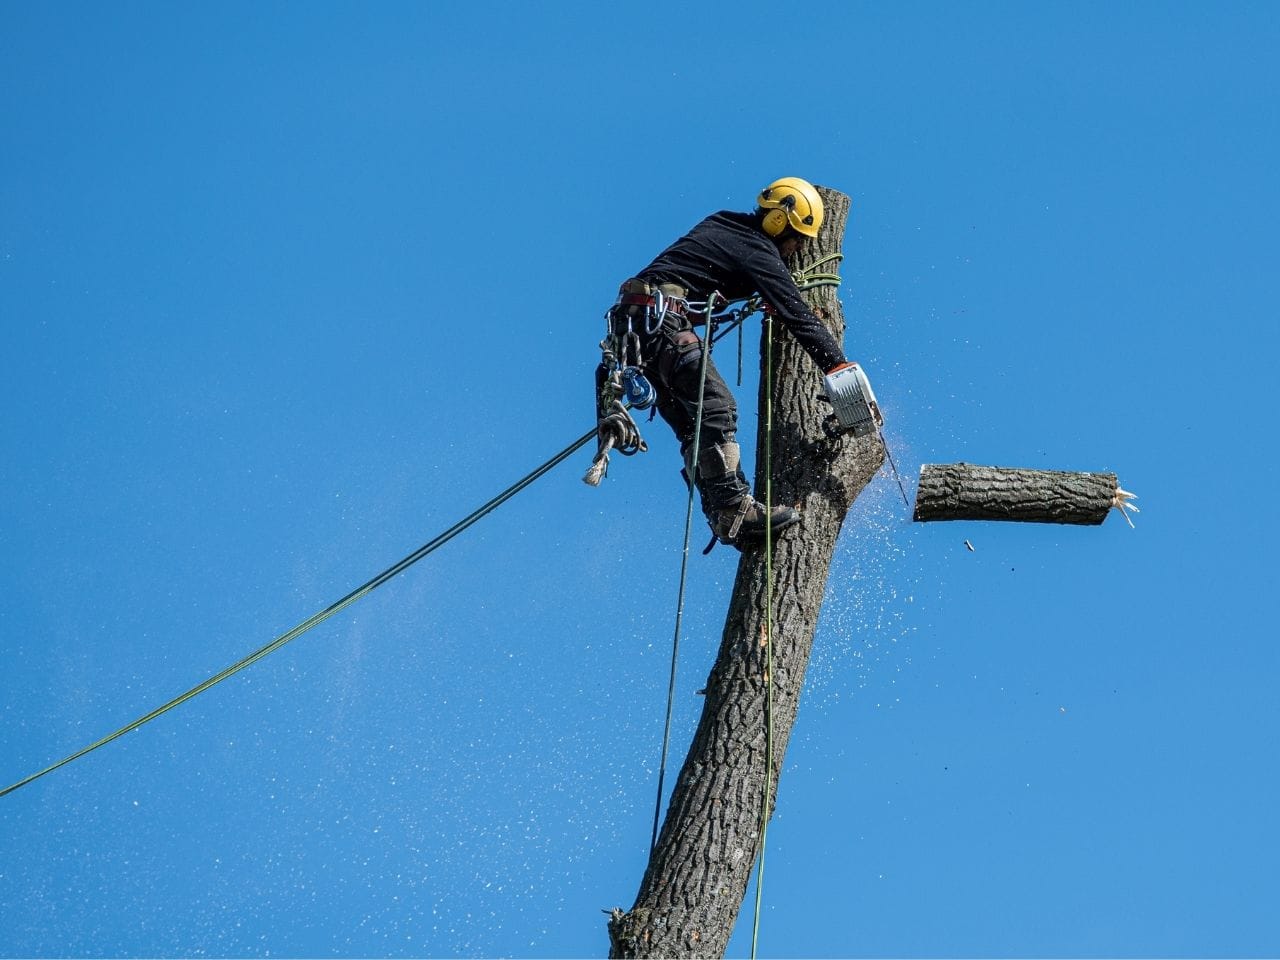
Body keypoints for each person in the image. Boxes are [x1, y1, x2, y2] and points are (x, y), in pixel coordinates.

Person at [598, 176, 854, 550]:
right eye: (797, 238)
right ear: (778, 222)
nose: (797, 250)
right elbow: (797, 314)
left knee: (695, 429)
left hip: (637, 333)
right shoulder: (755, 247)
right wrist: (839, 367)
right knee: (717, 408)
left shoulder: (726, 225)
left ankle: (724, 516)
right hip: (659, 325)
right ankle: (735, 508)